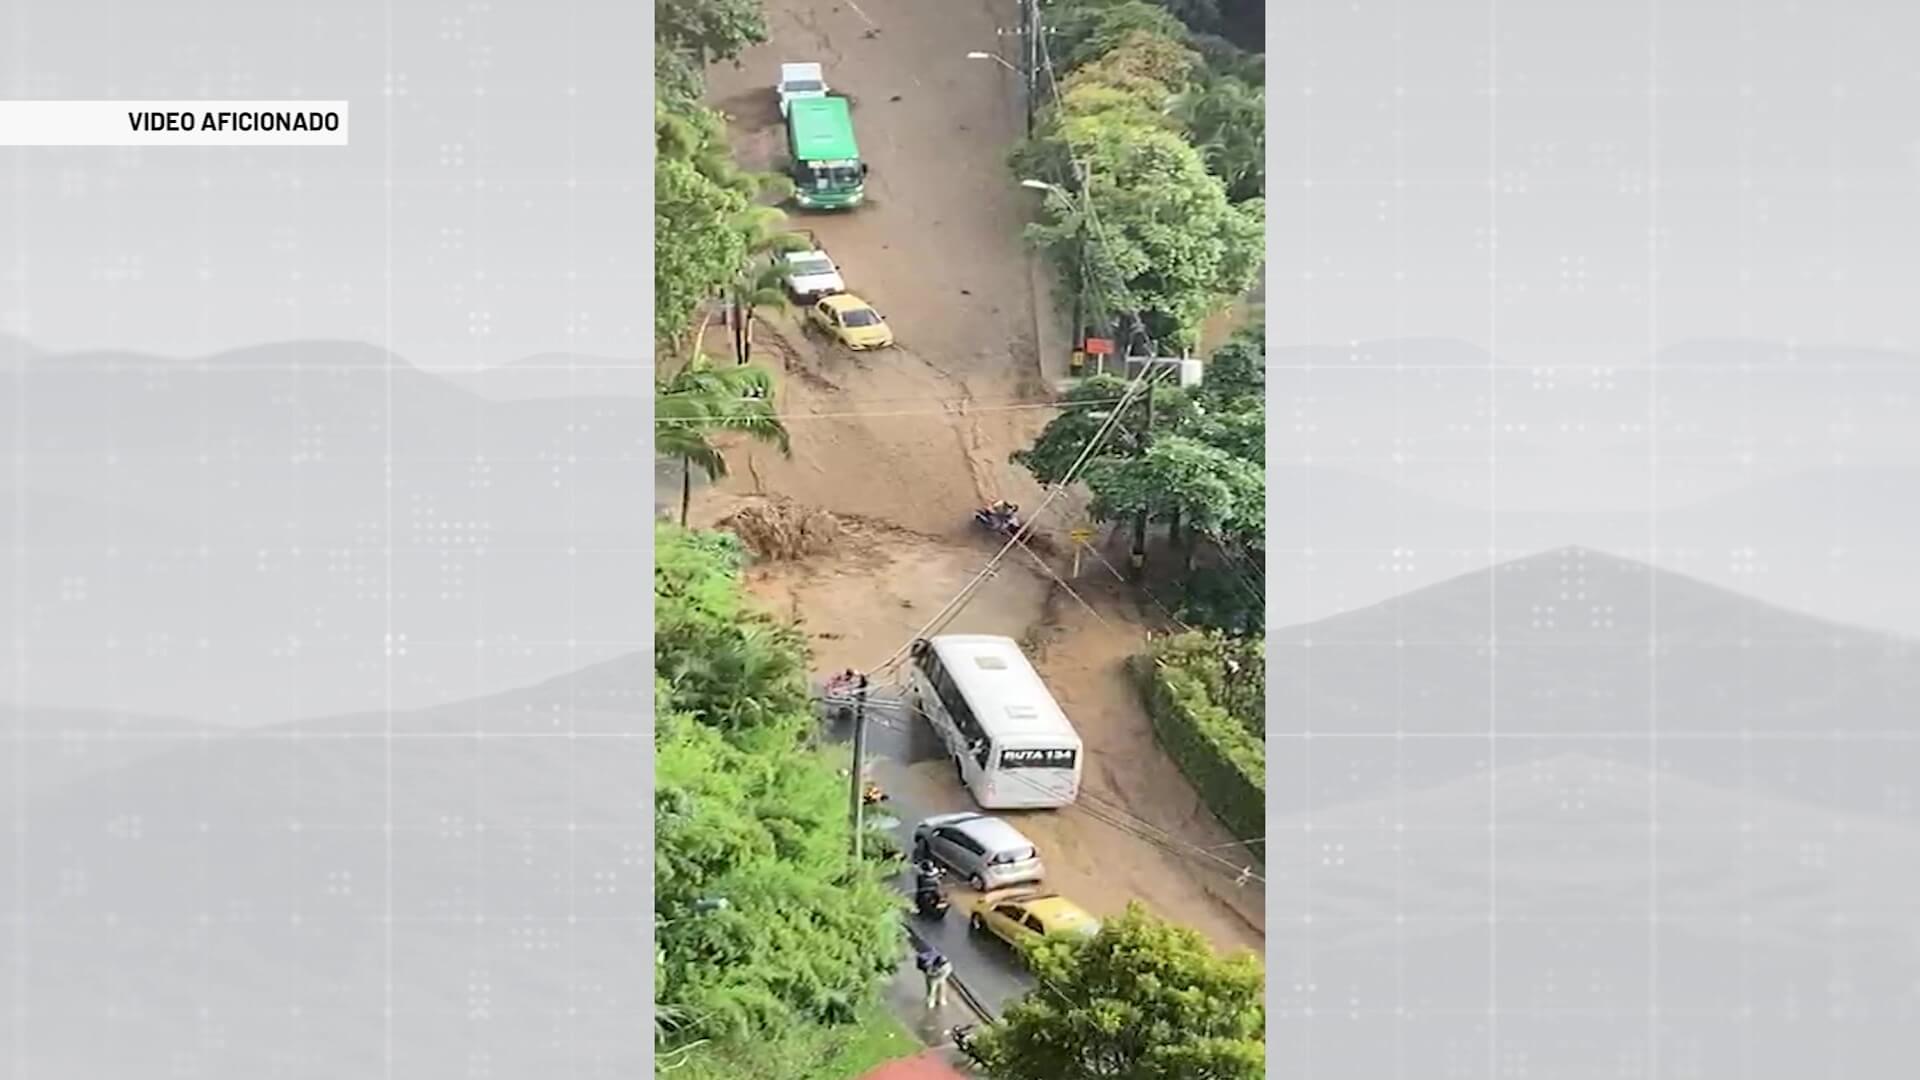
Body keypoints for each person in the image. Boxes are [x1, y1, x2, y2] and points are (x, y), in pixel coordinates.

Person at [916, 946, 953, 1010]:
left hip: (938, 974)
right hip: (932, 976)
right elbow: (928, 972)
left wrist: (940, 976)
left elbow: (947, 971)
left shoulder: (945, 965)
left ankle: (938, 1000)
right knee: (933, 988)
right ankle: (932, 1001)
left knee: (939, 986)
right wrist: (933, 975)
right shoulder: (928, 963)